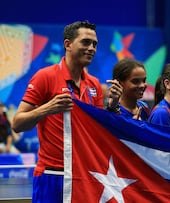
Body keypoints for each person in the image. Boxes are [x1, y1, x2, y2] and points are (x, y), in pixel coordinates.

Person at [11, 20, 122, 202]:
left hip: (85, 175)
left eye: (94, 44)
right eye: (86, 42)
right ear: (68, 44)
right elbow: (17, 123)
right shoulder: (45, 77)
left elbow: (98, 131)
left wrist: (113, 105)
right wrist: (48, 108)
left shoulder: (93, 84)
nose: (92, 48)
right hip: (52, 174)